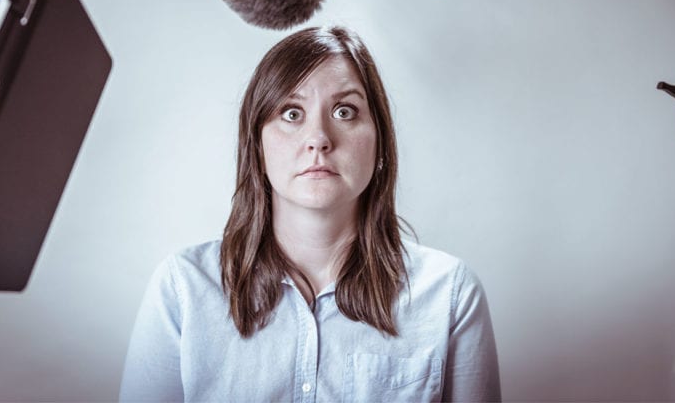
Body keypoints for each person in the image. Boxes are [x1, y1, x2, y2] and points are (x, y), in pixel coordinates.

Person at [119, 26, 501, 402]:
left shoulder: (450, 294)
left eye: (344, 111)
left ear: (380, 142)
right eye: (291, 113)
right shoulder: (183, 288)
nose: (318, 137)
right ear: (257, 145)